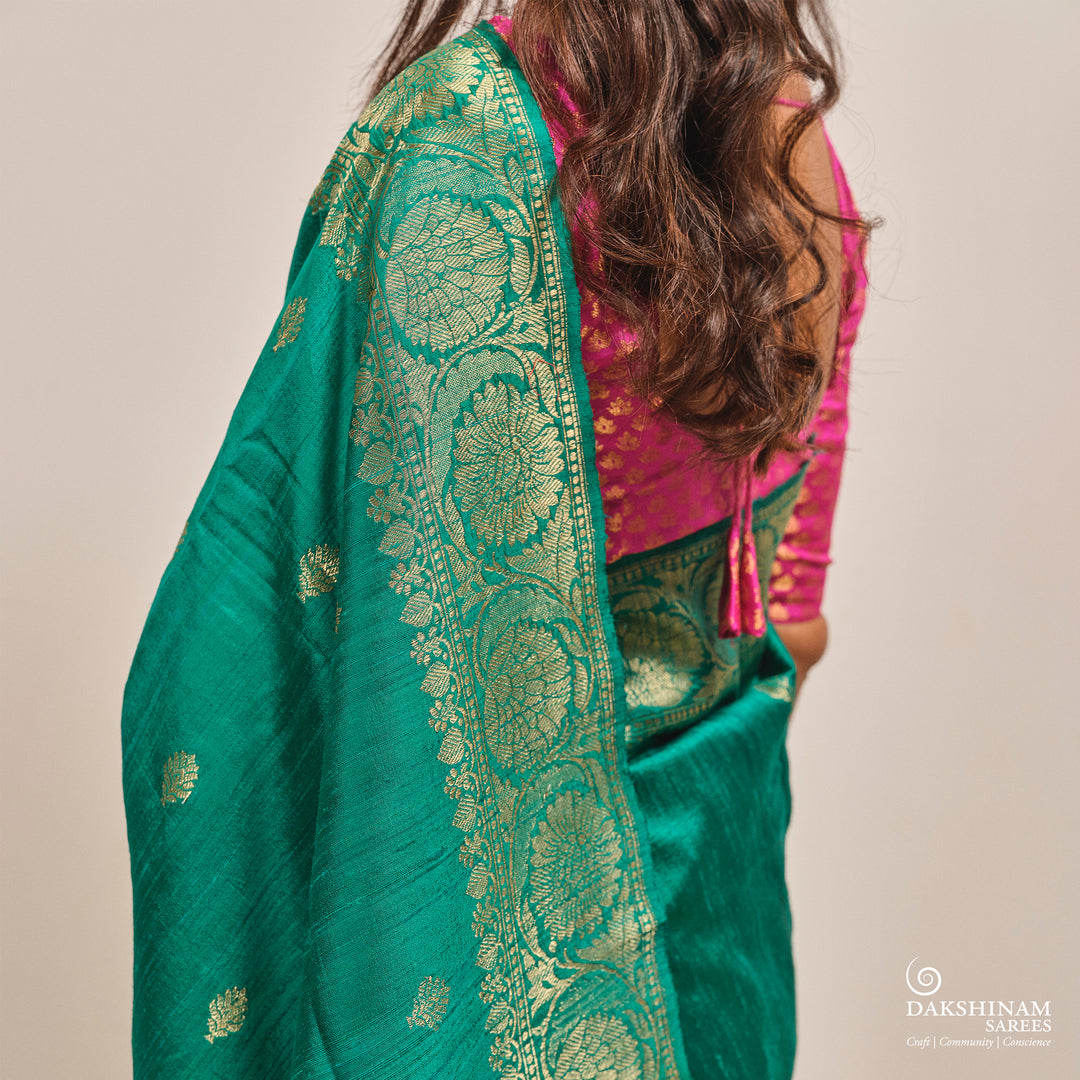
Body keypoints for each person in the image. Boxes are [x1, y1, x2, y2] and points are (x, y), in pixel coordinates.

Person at [121, 2, 871, 1078]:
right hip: (718, 851)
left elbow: (254, 572)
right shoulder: (790, 132)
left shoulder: (455, 133)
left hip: (492, 884)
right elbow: (796, 599)